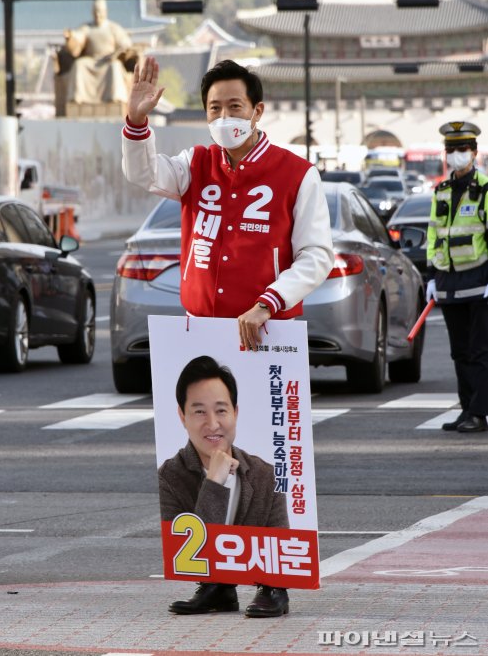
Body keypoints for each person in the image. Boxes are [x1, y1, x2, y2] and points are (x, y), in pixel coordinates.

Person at [121, 56, 333, 352]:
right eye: (215, 108)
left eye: (235, 106)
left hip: (267, 329)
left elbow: (316, 255)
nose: (224, 117)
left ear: (256, 111)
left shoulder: (297, 174)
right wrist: (137, 120)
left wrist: (268, 303)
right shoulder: (196, 163)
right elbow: (143, 174)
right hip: (198, 328)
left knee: (260, 400)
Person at [159, 355, 289, 618]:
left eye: (221, 410)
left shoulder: (264, 474)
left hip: (269, 577)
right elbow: (187, 553)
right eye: (199, 411)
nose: (213, 424)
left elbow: (280, 543)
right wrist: (214, 483)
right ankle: (216, 588)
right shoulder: (171, 475)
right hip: (206, 571)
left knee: (275, 577)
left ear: (235, 412)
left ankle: (272, 589)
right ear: (182, 416)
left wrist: (276, 581)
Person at [426, 121, 488, 433]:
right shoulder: (442, 191)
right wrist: (431, 278)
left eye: (462, 149)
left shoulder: (486, 189)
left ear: (475, 152)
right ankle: (467, 411)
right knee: (459, 353)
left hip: (479, 283)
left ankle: (479, 412)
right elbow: (434, 235)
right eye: (451, 149)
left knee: (479, 352)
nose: (456, 155)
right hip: (449, 284)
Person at [65, 0, 133, 105]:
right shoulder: (87, 27)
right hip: (92, 61)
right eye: (95, 11)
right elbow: (78, 37)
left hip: (109, 61)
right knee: (79, 64)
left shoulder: (113, 27)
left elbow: (125, 43)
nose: (98, 14)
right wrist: (71, 37)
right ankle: (77, 98)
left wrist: (117, 53)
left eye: (100, 11)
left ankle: (115, 98)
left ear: (105, 12)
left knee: (114, 66)